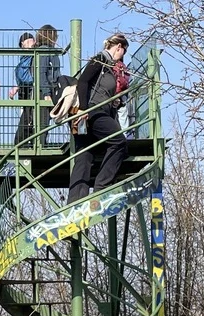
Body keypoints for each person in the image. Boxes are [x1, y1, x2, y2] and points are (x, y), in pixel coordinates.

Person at [67, 33, 131, 203]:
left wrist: (114, 102)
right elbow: (83, 82)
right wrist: (83, 109)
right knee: (119, 142)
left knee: (85, 154)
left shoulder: (108, 66)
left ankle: (75, 202)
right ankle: (101, 187)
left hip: (95, 112)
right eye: (122, 52)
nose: (121, 58)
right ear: (119, 47)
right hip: (93, 112)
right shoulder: (100, 61)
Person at [11, 32, 36, 145]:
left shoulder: (33, 56)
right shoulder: (25, 59)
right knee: (28, 118)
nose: (32, 42)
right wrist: (17, 87)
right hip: (25, 91)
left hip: (31, 90)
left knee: (28, 118)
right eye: (28, 40)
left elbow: (27, 75)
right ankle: (24, 142)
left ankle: (21, 143)